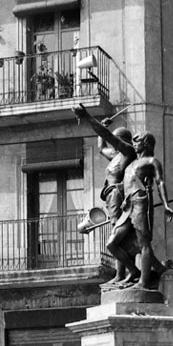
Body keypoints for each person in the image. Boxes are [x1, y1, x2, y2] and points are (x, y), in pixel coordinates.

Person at [73, 103, 137, 283]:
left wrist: (87, 117)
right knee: (117, 234)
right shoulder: (116, 156)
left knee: (117, 235)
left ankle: (125, 273)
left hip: (118, 193)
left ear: (123, 141)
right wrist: (103, 124)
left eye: (117, 141)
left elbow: (107, 137)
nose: (114, 145)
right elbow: (102, 146)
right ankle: (121, 274)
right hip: (110, 196)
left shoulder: (128, 152)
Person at [106, 131, 173, 289]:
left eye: (137, 141)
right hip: (127, 205)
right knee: (112, 243)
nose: (134, 143)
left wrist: (165, 204)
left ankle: (143, 282)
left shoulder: (152, 161)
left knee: (143, 242)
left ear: (146, 143)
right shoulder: (130, 164)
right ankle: (134, 271)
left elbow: (160, 182)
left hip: (140, 202)